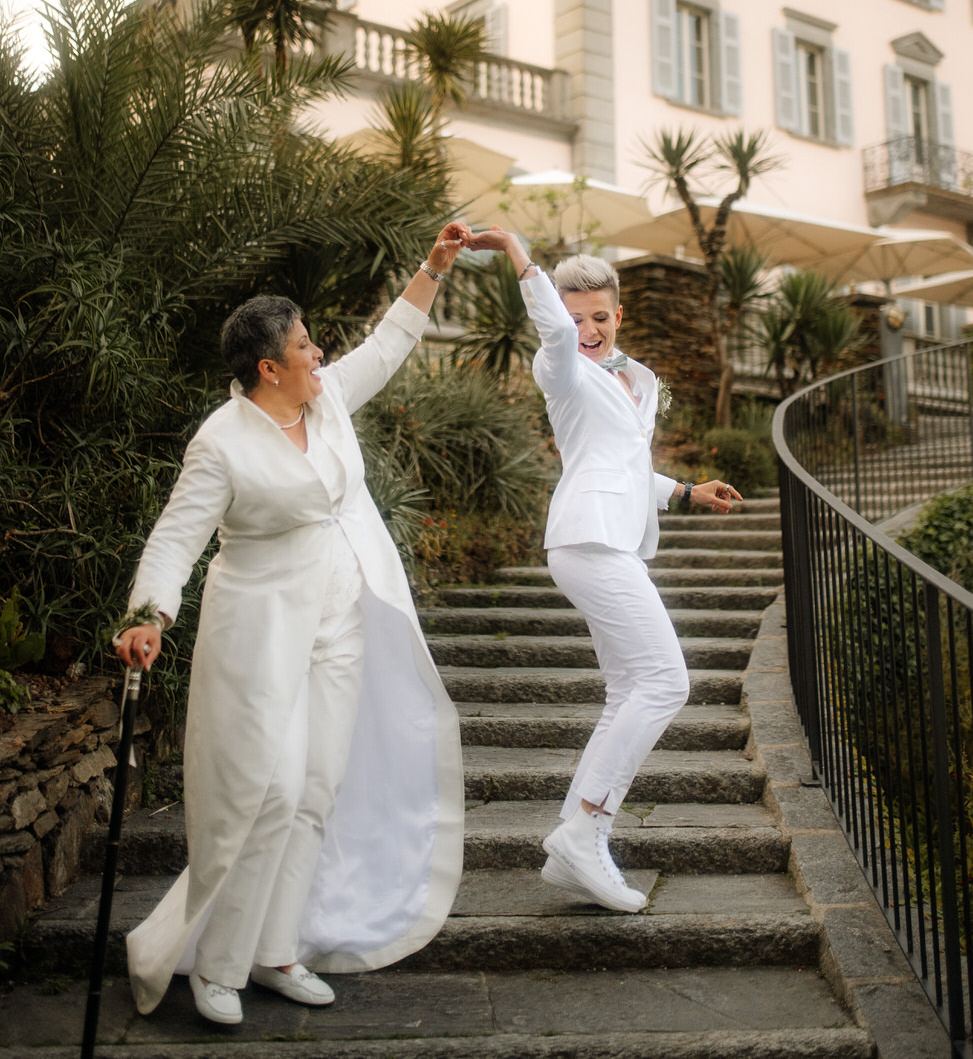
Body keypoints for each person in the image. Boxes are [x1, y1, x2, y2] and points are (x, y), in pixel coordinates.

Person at [113, 223, 470, 1025]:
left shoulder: (328, 397)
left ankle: (276, 953)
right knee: (263, 793)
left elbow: (385, 346)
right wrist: (148, 613)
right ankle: (217, 965)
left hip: (341, 617)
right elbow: (177, 536)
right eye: (305, 345)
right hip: (259, 626)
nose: (319, 353)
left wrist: (433, 269)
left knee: (314, 790)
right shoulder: (221, 442)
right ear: (268, 367)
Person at [467, 230, 741, 913]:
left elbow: (625, 465)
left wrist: (684, 492)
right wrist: (516, 252)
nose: (585, 328)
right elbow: (555, 334)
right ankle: (585, 829)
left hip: (613, 537)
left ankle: (580, 841)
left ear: (618, 315)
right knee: (667, 680)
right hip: (587, 540)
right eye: (574, 314)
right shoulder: (559, 365)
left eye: (598, 315)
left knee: (628, 690)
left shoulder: (637, 378)